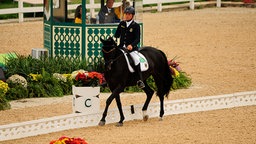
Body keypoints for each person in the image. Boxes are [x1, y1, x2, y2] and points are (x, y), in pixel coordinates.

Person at [114, 6, 145, 88]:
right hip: (121, 48)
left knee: (136, 60)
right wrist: (116, 33)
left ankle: (140, 80)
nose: (126, 16)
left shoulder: (136, 26)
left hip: (131, 49)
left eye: (128, 14)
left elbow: (137, 38)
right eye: (125, 14)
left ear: (132, 15)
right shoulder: (122, 24)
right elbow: (116, 35)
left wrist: (132, 45)